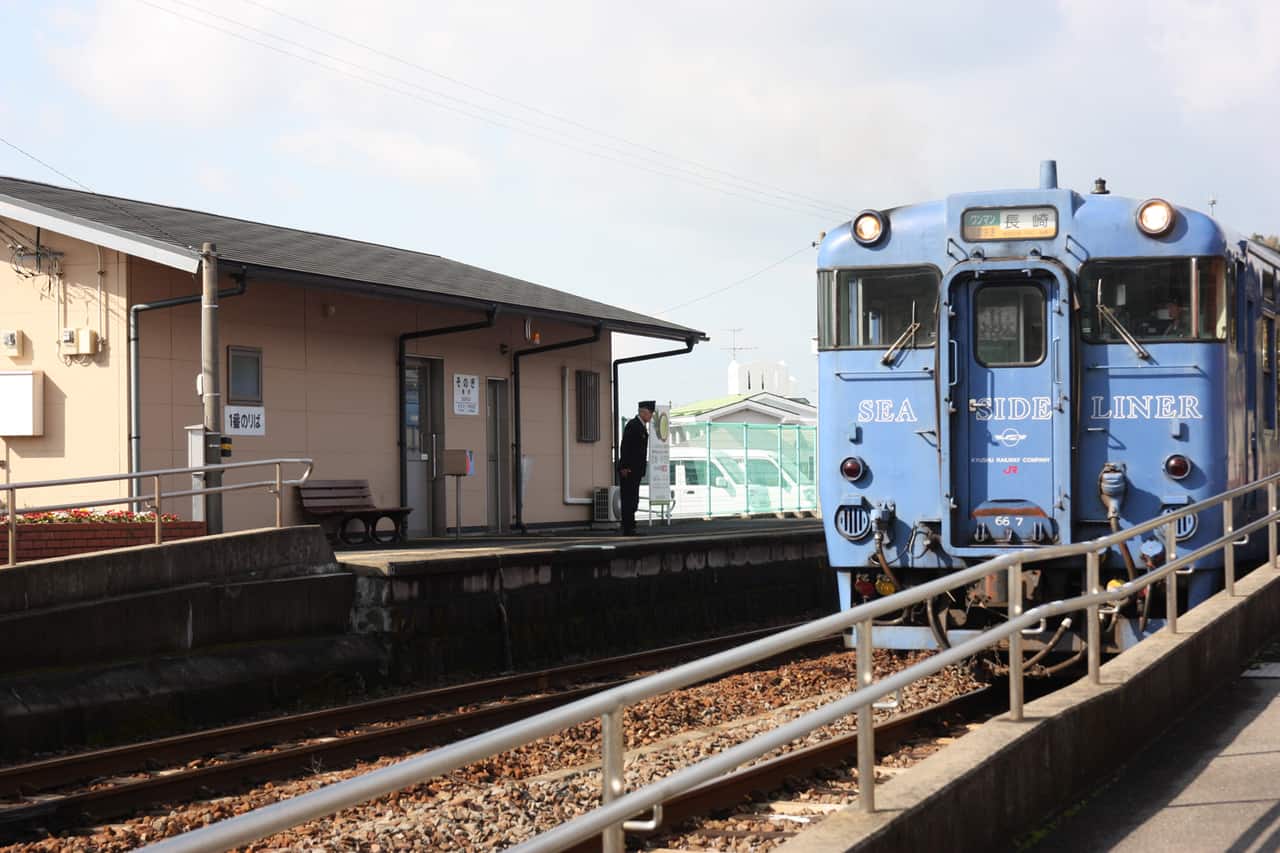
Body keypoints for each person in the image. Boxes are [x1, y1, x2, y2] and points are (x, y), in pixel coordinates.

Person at [617, 400, 654, 535]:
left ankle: (631, 526)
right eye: (650, 413)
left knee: (633, 498)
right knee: (629, 498)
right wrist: (624, 467)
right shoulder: (633, 426)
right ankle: (628, 527)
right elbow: (625, 447)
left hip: (636, 469)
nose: (651, 416)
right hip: (629, 469)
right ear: (643, 412)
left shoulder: (641, 426)